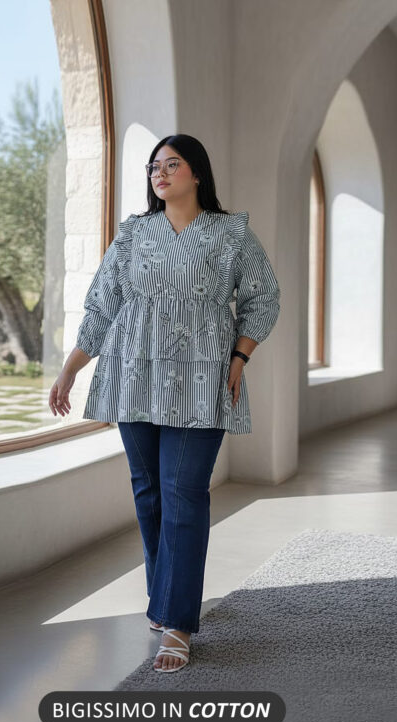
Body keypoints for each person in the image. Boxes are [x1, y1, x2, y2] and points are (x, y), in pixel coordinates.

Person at [49, 133, 280, 673]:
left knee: (185, 493)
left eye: (172, 164)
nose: (160, 173)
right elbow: (103, 304)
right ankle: (164, 597)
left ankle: (177, 622)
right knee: (150, 493)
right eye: (154, 166)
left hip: (201, 377)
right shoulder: (133, 234)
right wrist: (70, 369)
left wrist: (240, 357)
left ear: (197, 173)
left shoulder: (231, 233)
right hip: (133, 374)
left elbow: (264, 296)